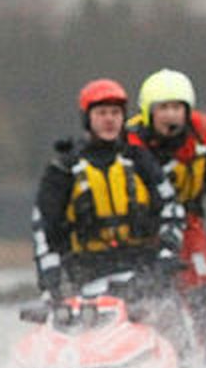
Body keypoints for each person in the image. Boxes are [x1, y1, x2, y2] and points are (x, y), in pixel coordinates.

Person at [31, 77, 186, 299]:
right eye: (101, 113)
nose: (109, 120)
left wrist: (167, 253)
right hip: (87, 275)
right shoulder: (64, 169)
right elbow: (44, 227)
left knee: (168, 309)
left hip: (142, 272)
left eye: (115, 113)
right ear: (87, 118)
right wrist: (51, 280)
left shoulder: (140, 160)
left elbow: (171, 208)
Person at [128, 68, 206, 368]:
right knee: (160, 305)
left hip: (189, 226)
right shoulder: (130, 144)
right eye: (163, 108)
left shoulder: (202, 132)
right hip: (144, 233)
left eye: (177, 108)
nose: (171, 116)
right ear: (149, 112)